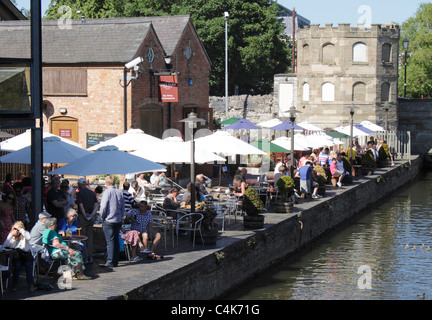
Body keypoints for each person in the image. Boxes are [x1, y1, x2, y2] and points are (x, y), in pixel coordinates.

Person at [99, 175, 124, 268]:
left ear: (106, 183)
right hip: (117, 219)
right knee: (116, 240)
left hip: (109, 219)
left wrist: (102, 216)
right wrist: (121, 216)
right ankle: (115, 260)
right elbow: (122, 207)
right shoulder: (119, 192)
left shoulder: (107, 192)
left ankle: (110, 261)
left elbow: (103, 207)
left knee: (110, 241)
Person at [3, 221, 36, 292]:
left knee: (28, 265)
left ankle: (31, 284)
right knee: (17, 266)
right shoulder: (12, 236)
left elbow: (29, 237)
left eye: (17, 229)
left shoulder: (24, 235)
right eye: (15, 229)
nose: (16, 231)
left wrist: (20, 230)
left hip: (26, 255)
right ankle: (15, 284)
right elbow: (5, 245)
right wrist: (10, 235)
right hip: (17, 256)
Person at [76, 177, 99, 263]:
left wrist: (85, 215)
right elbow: (96, 205)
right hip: (91, 216)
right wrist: (92, 214)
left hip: (83, 216)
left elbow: (81, 206)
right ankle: (90, 256)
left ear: (80, 184)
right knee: (90, 237)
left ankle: (85, 256)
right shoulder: (91, 193)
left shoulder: (80, 193)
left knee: (83, 236)